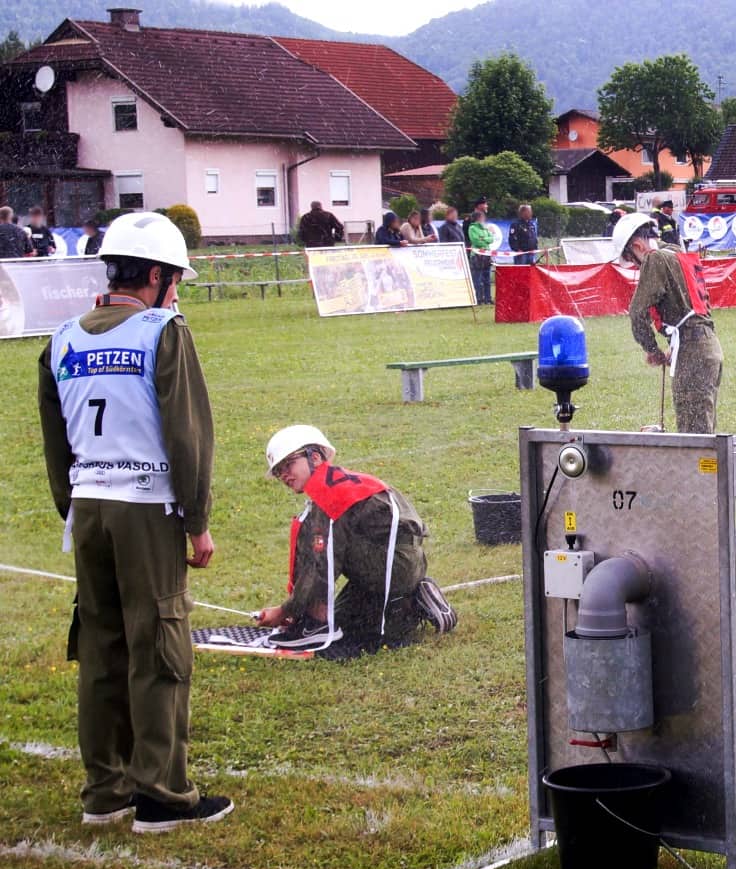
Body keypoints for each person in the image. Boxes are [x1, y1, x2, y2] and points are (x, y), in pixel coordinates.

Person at [37, 211, 232, 833]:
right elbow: (188, 434)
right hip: (146, 508)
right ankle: (162, 795)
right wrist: (197, 520)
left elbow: (55, 442)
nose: (175, 294)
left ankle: (105, 792)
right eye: (173, 281)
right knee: (159, 646)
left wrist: (74, 507)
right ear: (156, 275)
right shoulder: (163, 331)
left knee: (101, 648)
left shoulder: (62, 337)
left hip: (88, 506)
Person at [256, 426, 454, 657]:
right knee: (344, 621)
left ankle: (316, 626)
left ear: (315, 457)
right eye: (278, 471)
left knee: (359, 633)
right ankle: (413, 598)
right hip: (402, 562)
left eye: (288, 464)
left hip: (391, 567)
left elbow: (321, 566)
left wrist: (287, 610)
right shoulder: (339, 481)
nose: (284, 475)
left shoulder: (330, 495)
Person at [616, 213, 723, 433]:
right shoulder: (675, 252)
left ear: (637, 246)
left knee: (694, 435)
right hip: (707, 346)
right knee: (703, 429)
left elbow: (637, 312)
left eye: (631, 258)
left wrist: (652, 349)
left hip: (693, 351)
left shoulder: (655, 259)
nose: (635, 265)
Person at [467, 209, 494, 304]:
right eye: (483, 217)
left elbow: (491, 239)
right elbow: (476, 241)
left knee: (487, 278)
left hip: (487, 255)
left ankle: (488, 299)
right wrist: (485, 240)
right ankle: (478, 299)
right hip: (477, 255)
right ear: (479, 218)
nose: (484, 219)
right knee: (477, 279)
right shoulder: (472, 228)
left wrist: (483, 238)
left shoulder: (485, 228)